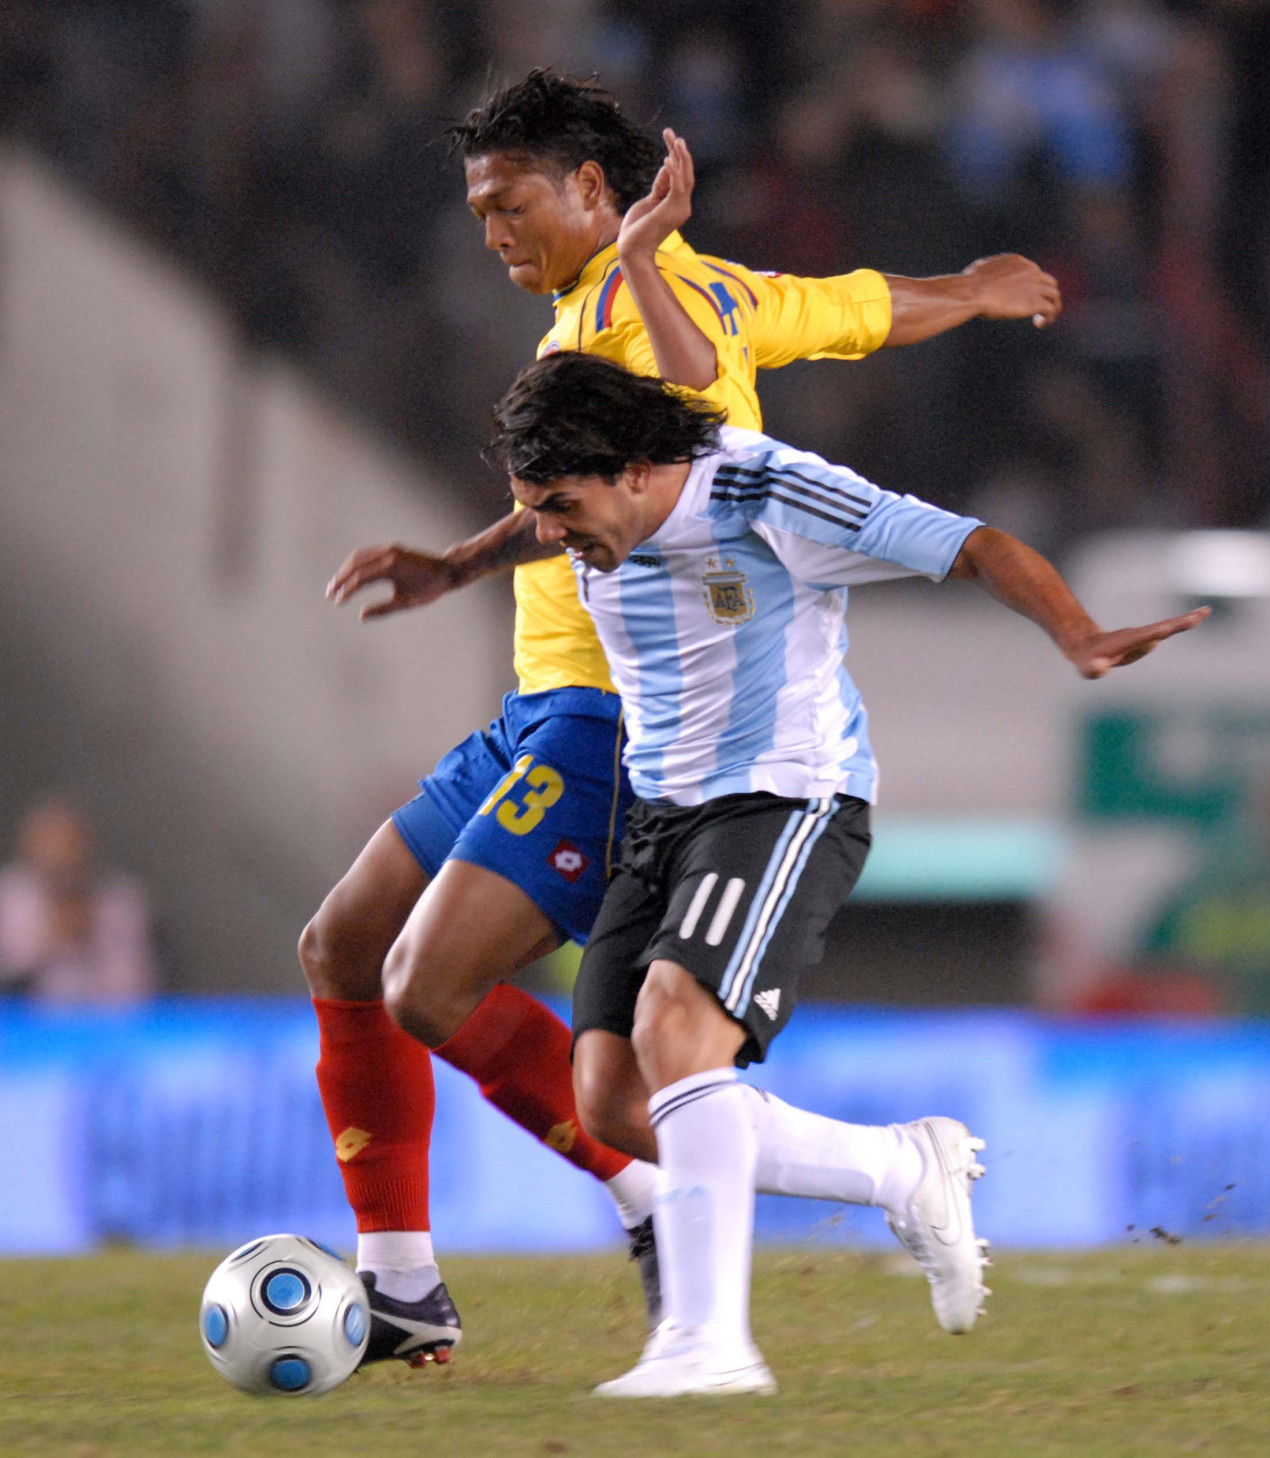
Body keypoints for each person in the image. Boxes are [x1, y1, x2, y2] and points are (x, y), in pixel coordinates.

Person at [304, 69, 1062, 1366]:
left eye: (509, 202)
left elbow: (687, 424)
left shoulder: (645, 315)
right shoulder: (702, 284)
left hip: (609, 713)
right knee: (345, 945)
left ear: (595, 189)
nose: (491, 229)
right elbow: (863, 311)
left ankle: (649, 1193)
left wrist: (473, 560)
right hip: (537, 703)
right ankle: (402, 1276)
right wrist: (980, 288)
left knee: (429, 985)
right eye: (478, 207)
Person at [486, 349, 1210, 1397]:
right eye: (532, 511)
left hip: (783, 797)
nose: (549, 535)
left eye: (559, 506)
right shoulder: (589, 513)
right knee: (607, 1102)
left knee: (676, 1026)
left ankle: (708, 1348)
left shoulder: (765, 490)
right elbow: (521, 528)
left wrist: (1077, 633)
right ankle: (898, 1169)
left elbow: (970, 544)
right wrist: (443, 566)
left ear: (638, 470)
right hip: (659, 814)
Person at [0, 796, 159, 1003]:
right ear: (29, 845)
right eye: (51, 842)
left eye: (71, 843)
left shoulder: (120, 901)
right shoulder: (10, 896)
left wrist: (93, 938)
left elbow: (141, 991)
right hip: (22, 1028)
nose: (62, 855)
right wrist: (48, 944)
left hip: (105, 1027)